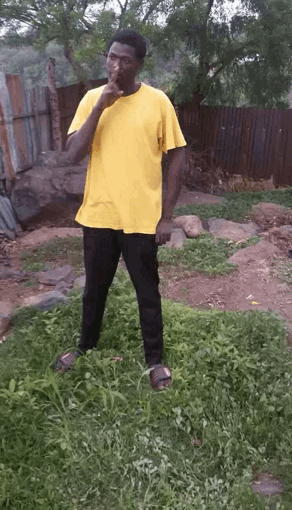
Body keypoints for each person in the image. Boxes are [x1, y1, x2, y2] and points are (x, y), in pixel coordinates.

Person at [53, 29, 186, 390]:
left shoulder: (157, 101)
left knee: (148, 291)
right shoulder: (91, 99)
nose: (115, 65)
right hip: (99, 213)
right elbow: (71, 154)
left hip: (141, 218)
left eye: (125, 59)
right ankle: (85, 347)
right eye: (111, 57)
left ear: (139, 64)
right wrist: (101, 106)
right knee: (94, 288)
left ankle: (155, 361)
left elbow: (177, 155)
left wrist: (167, 216)